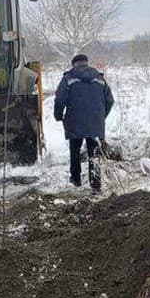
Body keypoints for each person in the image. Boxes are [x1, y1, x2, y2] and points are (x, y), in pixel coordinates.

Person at [54, 54, 115, 195]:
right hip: (95, 123)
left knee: (74, 152)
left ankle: (76, 182)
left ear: (74, 64)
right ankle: (96, 186)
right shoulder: (99, 78)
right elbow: (110, 100)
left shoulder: (69, 78)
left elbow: (59, 99)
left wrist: (58, 116)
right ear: (86, 63)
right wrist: (100, 116)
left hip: (75, 121)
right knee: (94, 154)